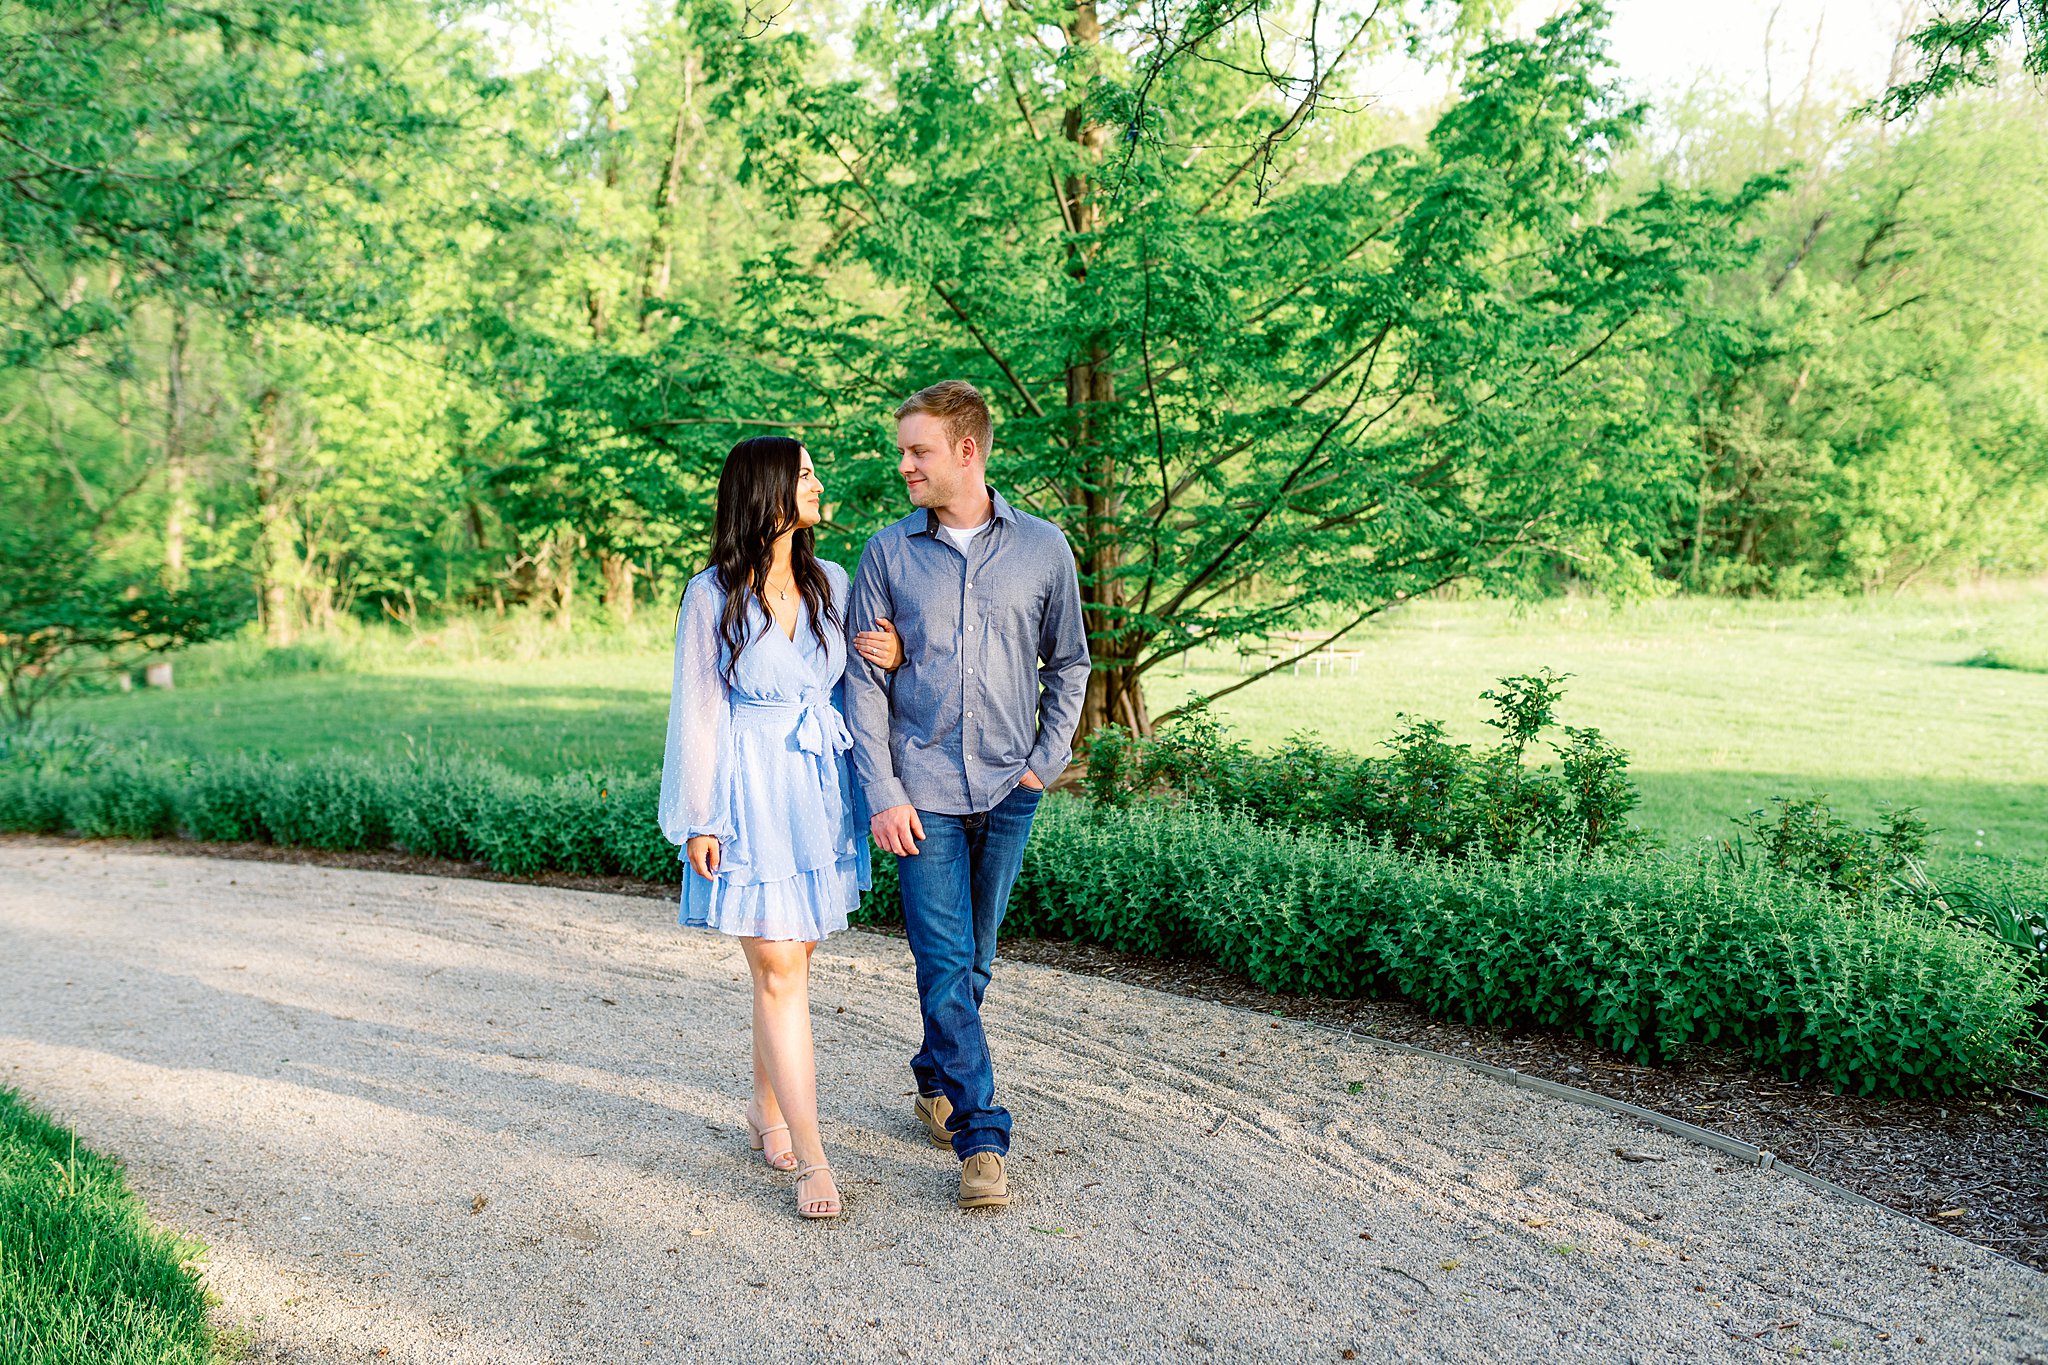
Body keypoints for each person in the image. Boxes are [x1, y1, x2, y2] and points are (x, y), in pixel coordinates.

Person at [843, 380, 1091, 1211]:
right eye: (903, 450)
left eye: (917, 450)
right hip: (923, 793)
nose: (904, 463)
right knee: (945, 961)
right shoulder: (886, 553)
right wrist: (882, 790)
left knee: (973, 963)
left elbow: (1072, 664)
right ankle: (982, 1135)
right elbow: (862, 683)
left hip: (1009, 782)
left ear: (966, 452)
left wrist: (1043, 763)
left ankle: (932, 1075)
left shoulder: (1044, 549)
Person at [658, 434, 903, 1221]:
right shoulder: (711, 595)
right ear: (768, 493)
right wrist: (699, 816)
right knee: (778, 972)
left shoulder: (833, 581)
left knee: (789, 964)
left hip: (814, 791)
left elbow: (860, 684)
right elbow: (697, 710)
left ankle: (765, 1110)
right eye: (804, 475)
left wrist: (893, 654)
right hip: (746, 793)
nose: (818, 482)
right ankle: (816, 1158)